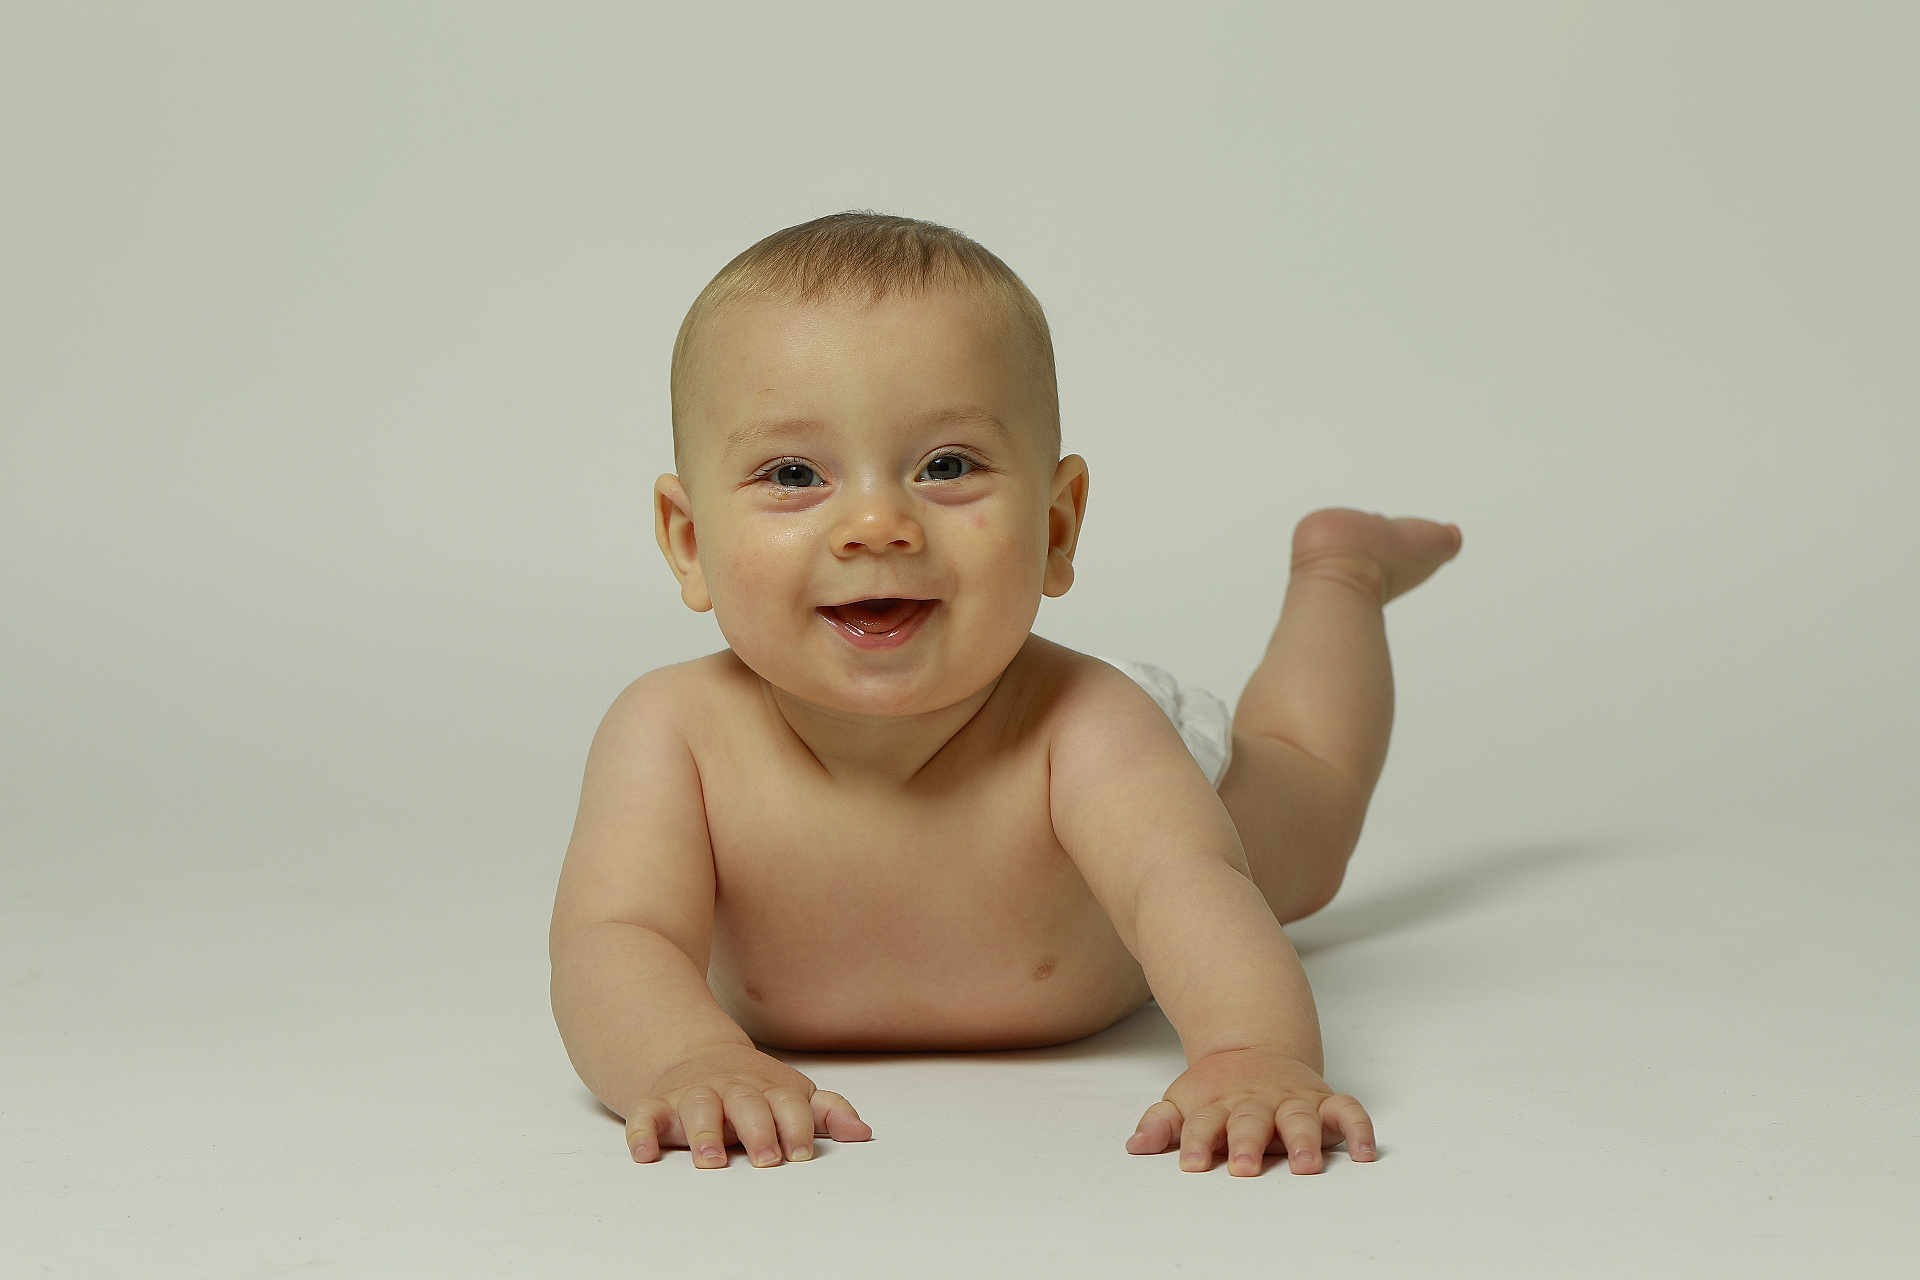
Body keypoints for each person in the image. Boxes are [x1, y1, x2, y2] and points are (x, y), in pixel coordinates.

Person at [548, 210, 1462, 1177]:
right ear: (688, 542)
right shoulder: (671, 734)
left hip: (1160, 783)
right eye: (793, 474)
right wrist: (689, 1057)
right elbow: (616, 938)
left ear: (1057, 525)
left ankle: (1341, 574)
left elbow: (1183, 887)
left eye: (945, 467)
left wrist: (1252, 1053)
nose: (875, 523)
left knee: (1308, 822)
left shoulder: (1085, 726)